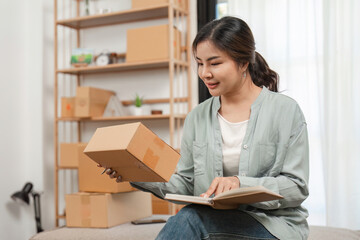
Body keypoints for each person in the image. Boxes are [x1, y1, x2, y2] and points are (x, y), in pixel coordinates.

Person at [100, 16, 309, 240]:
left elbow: (296, 187)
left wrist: (240, 183)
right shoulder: (196, 117)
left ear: (243, 62)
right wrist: (134, 171)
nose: (204, 73)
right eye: (200, 63)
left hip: (274, 226)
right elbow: (185, 184)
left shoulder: (285, 111)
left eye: (214, 63)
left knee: (190, 218)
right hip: (217, 222)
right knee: (190, 216)